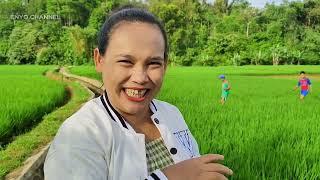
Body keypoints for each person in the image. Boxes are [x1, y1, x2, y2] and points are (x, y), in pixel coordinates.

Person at [44, 6, 233, 180]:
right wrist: (170, 176)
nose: (140, 77)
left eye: (153, 63)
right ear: (99, 60)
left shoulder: (172, 114)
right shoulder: (79, 135)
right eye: (126, 61)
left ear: (165, 65)